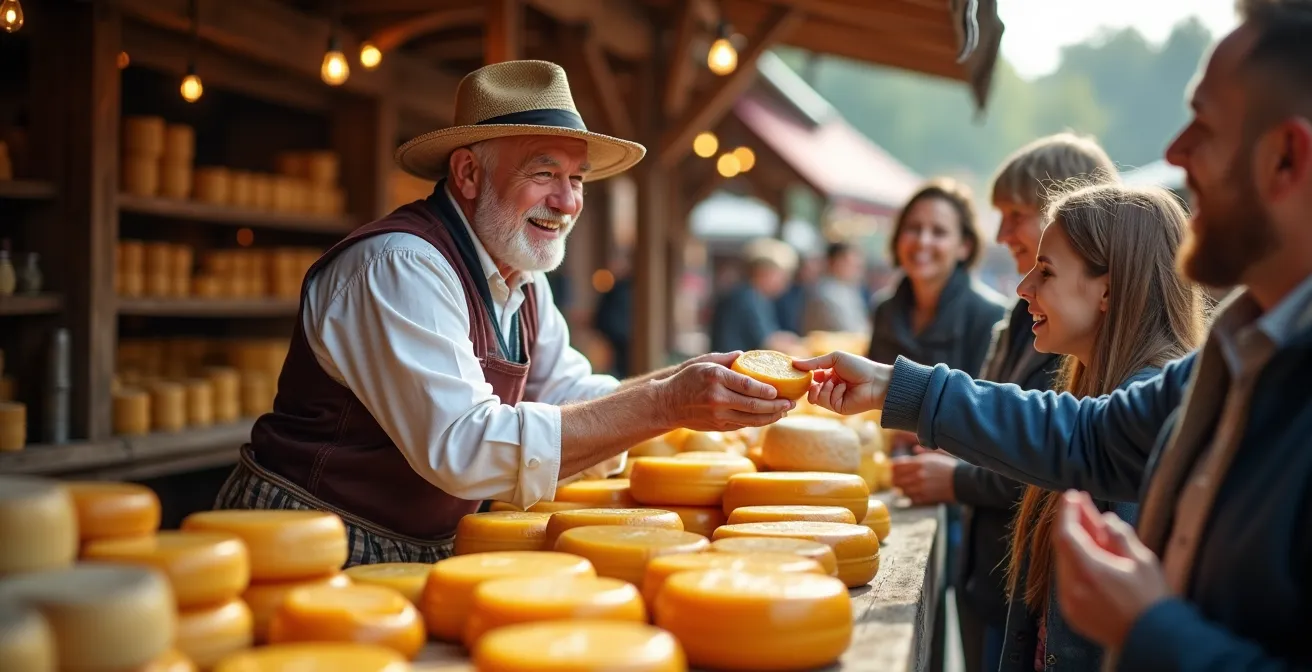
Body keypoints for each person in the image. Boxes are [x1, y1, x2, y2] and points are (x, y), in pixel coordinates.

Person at [795, 2, 1312, 667]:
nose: (1176, 153)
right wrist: (894, 386)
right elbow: (1087, 436)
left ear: (1286, 159)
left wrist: (1151, 629)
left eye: (1203, 127)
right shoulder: (1241, 348)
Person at [212, 60, 793, 565]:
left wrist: (692, 380)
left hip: (418, 542)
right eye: (544, 174)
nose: (567, 203)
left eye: (576, 179)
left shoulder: (525, 281)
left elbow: (570, 395)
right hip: (308, 539)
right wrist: (667, 402)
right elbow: (464, 448)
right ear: (467, 173)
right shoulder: (398, 266)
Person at [904, 134, 1117, 672]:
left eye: (1015, 214)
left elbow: (1042, 449)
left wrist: (952, 475)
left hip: (1018, 587)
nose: (1002, 234)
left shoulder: (1076, 341)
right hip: (993, 576)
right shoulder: (1026, 318)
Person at [1000, 183, 1204, 672]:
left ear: (1109, 290)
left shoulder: (1150, 411)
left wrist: (899, 391)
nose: (1023, 287)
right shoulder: (1095, 388)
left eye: (1045, 271)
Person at [710, 237, 801, 353]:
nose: (786, 281)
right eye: (782, 275)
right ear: (763, 272)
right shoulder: (748, 298)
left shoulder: (749, 295)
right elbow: (768, 342)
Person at [803, 241, 870, 334]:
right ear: (833, 262)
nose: (856, 269)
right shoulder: (823, 293)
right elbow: (848, 330)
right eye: (850, 263)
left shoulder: (849, 290)